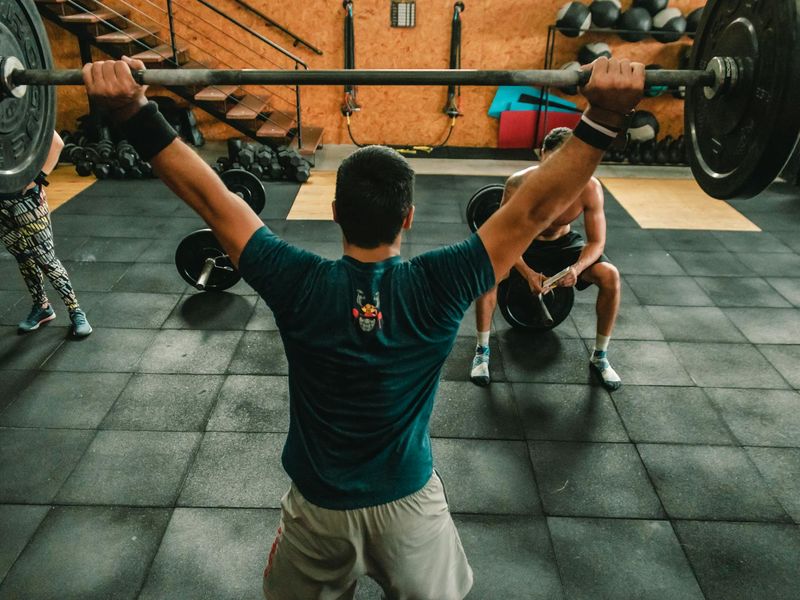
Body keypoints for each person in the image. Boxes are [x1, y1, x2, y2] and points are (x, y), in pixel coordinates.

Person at [82, 55, 643, 600]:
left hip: (319, 512)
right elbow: (531, 212)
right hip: (410, 509)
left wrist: (133, 111)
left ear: (334, 212)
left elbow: (212, 197)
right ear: (409, 217)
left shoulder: (295, 281)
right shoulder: (441, 283)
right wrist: (603, 119)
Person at [470, 127, 622, 391]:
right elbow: (502, 235)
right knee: (489, 273)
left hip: (564, 246)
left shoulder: (589, 187)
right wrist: (526, 271)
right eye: (552, 163)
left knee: (610, 276)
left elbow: (597, 242)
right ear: (542, 155)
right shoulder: (518, 183)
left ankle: (600, 356)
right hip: (523, 243)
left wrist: (576, 269)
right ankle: (482, 351)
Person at [0, 132, 92, 337]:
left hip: (27, 201)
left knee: (46, 259)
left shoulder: (22, 109)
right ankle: (42, 307)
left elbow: (56, 143)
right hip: (2, 205)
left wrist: (38, 178)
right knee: (23, 257)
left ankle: (76, 311)